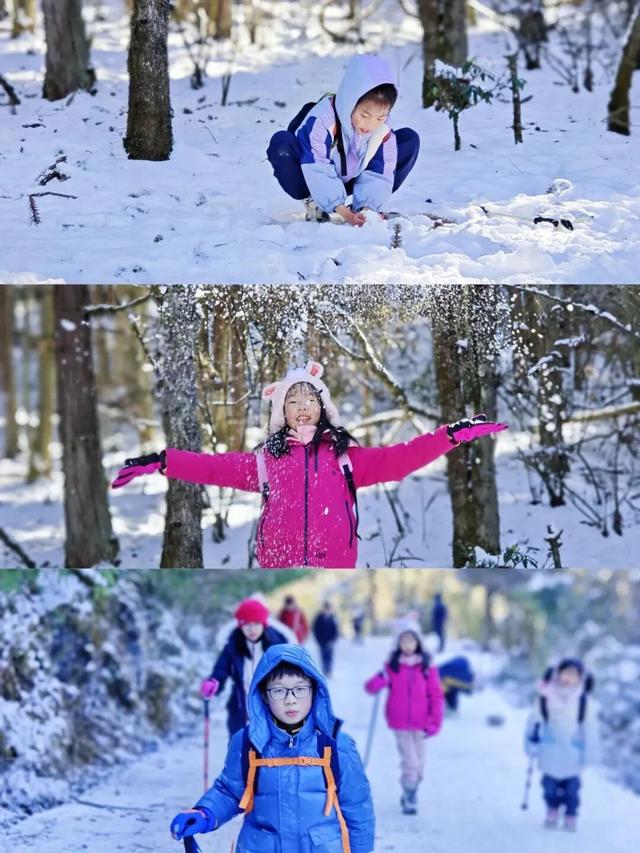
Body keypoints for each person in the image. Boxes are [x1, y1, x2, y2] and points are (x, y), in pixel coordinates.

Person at [111, 360, 508, 569]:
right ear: (281, 411)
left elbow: (401, 459)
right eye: (293, 401)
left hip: (335, 565)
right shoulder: (267, 461)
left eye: (310, 400)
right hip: (277, 565)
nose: (302, 408)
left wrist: (451, 435)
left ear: (323, 408)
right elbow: (213, 467)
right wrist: (163, 461)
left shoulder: (344, 459)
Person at [170, 644, 375, 852]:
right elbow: (230, 792)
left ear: (315, 691)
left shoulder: (336, 745)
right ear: (264, 695)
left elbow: (358, 810)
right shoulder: (248, 743)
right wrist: (205, 813)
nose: (290, 699)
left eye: (300, 689)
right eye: (278, 691)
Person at [266, 55, 420, 226]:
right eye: (364, 115)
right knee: (281, 144)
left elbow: (380, 172)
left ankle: (361, 204)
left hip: (351, 177)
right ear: (350, 101)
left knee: (408, 140)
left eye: (380, 117)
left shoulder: (381, 130)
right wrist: (342, 212)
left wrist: (367, 211)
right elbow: (317, 166)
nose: (370, 124)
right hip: (311, 176)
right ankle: (315, 204)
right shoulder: (323, 119)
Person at [364, 618, 444, 815]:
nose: (408, 645)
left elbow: (436, 694)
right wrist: (380, 678)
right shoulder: (392, 666)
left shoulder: (426, 666)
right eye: (404, 641)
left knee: (420, 765)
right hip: (399, 721)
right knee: (411, 762)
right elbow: (370, 687)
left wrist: (435, 721)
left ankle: (411, 789)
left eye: (411, 640)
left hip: (422, 721)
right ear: (398, 643)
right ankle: (410, 797)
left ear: (418, 642)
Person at [524, 658, 598, 832]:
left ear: (580, 678)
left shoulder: (583, 702)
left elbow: (590, 729)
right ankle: (552, 809)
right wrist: (532, 739)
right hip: (550, 752)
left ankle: (571, 814)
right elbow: (534, 720)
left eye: (573, 675)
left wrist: (591, 753)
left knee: (572, 790)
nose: (568, 678)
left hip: (573, 754)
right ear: (557, 674)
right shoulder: (545, 697)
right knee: (549, 787)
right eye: (565, 673)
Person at [199, 598, 290, 739]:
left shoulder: (278, 646)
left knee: (271, 753)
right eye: (247, 625)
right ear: (240, 626)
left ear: (263, 624)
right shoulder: (233, 646)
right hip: (241, 709)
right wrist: (213, 683)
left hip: (273, 709)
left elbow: (294, 674)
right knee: (240, 751)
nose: (252, 629)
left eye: (256, 624)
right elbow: (220, 670)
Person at [312, 601, 340, 677]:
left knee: (330, 656)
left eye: (328, 609)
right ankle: (324, 670)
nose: (327, 611)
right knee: (323, 655)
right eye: (326, 609)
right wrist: (318, 639)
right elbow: (315, 629)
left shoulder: (333, 618)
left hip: (330, 641)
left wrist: (334, 639)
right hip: (322, 641)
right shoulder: (319, 617)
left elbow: (336, 630)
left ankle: (329, 671)